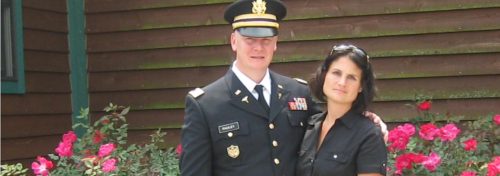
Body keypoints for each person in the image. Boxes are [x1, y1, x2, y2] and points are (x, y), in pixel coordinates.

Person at [179, 0, 386, 175]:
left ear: (276, 43)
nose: (258, 47)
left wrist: (368, 120)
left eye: (266, 40)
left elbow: (333, 126)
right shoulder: (205, 105)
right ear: (234, 41)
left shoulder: (298, 93)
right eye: (249, 39)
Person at [296, 44, 388, 176]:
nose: (342, 82)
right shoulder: (308, 125)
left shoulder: (369, 135)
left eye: (351, 77)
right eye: (336, 73)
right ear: (324, 75)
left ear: (361, 86)